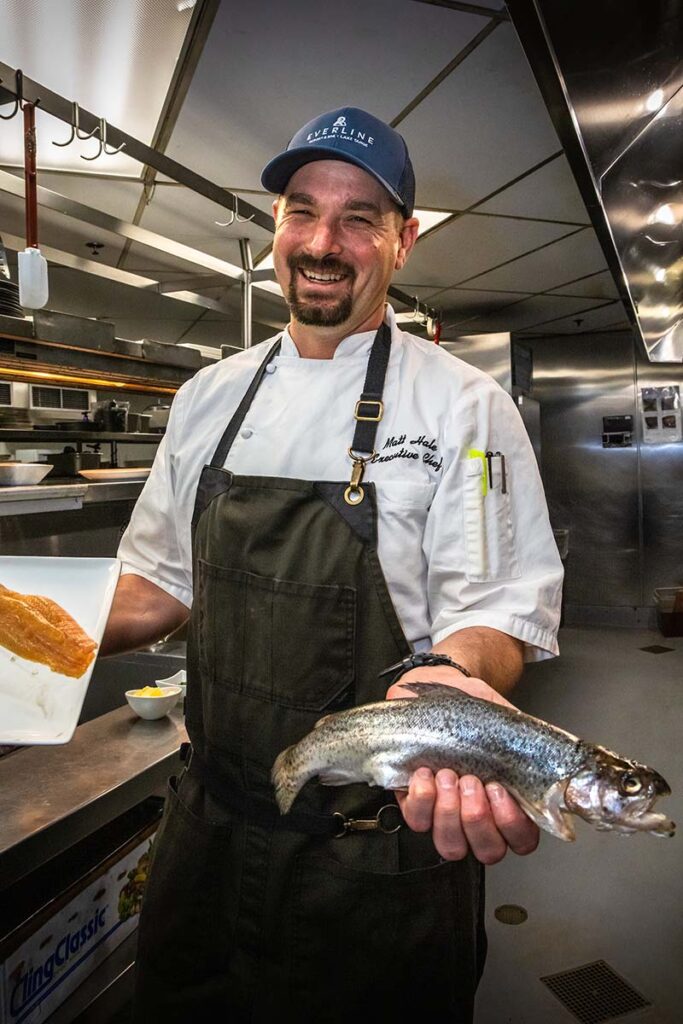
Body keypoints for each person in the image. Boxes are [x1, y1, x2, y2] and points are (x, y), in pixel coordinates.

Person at [102, 106, 563, 1022]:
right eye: (300, 211)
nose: (322, 242)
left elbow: (497, 613)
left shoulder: (463, 409)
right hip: (209, 831)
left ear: (404, 241)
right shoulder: (208, 398)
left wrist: (453, 672)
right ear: (274, 228)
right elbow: (156, 585)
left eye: (359, 218)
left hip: (374, 857)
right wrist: (27, 624)